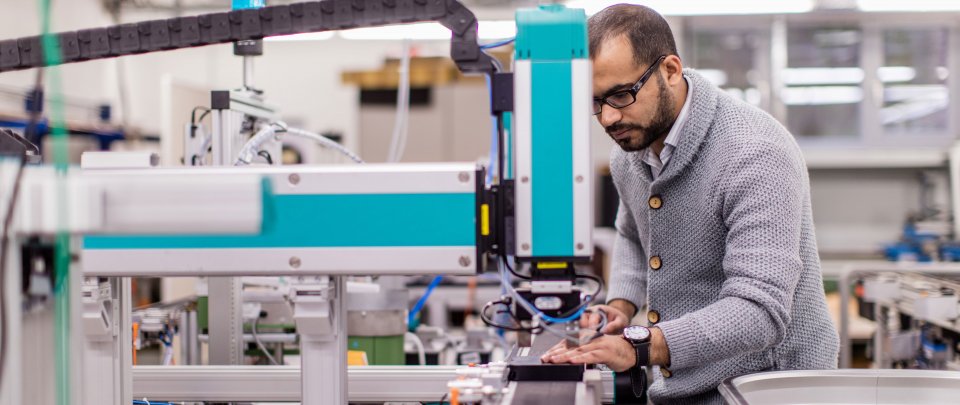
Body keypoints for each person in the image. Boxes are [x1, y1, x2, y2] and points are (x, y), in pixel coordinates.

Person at [541, 4, 840, 403]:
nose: (609, 119)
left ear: (670, 70)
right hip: (684, 384)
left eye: (621, 95)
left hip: (768, 389)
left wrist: (640, 346)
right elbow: (632, 235)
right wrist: (621, 308)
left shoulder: (753, 154)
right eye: (595, 102)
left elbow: (759, 312)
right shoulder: (632, 152)